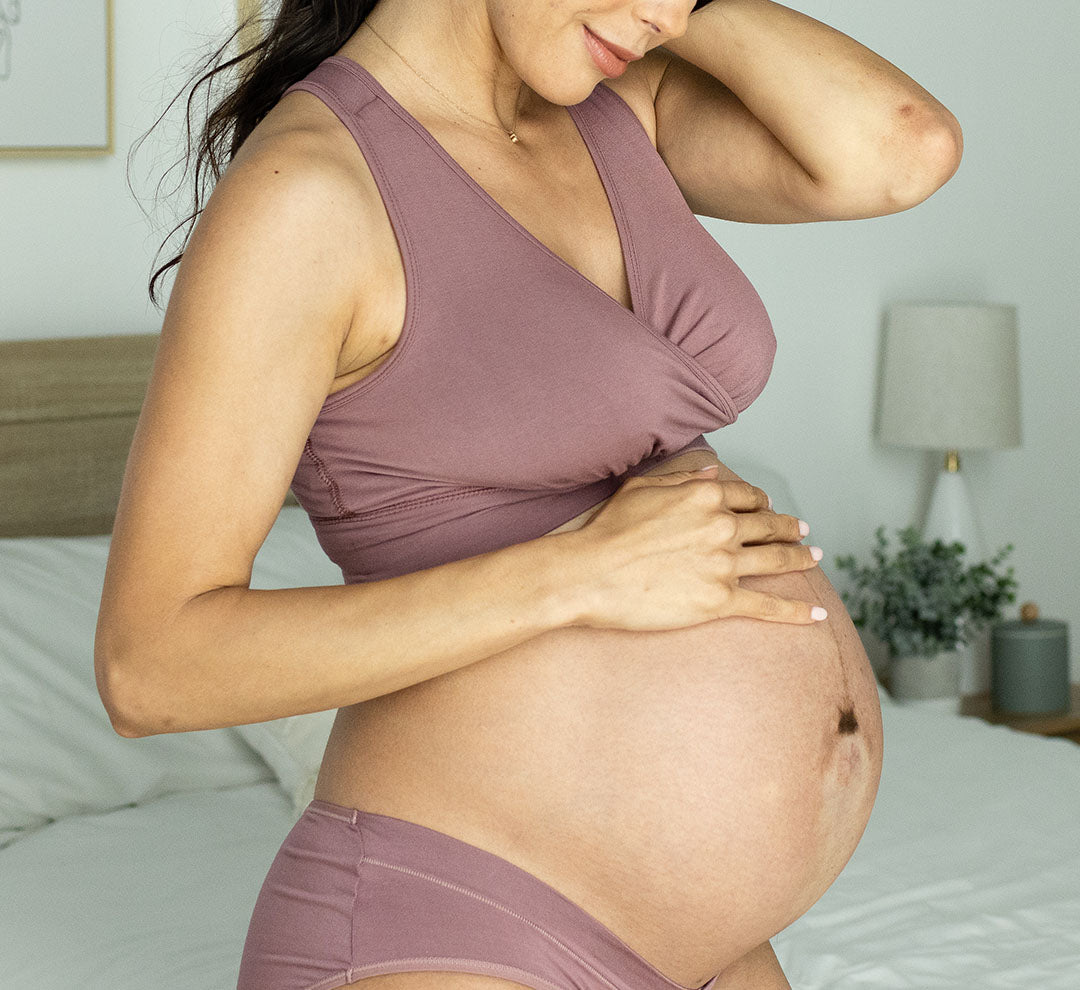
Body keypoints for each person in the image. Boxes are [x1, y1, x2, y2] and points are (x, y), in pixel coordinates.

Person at [96, 1, 962, 988]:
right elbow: (151, 666)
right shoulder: (312, 193)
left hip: (702, 952)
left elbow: (903, 148)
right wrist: (576, 576)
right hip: (460, 928)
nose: (666, 14)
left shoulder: (619, 111)